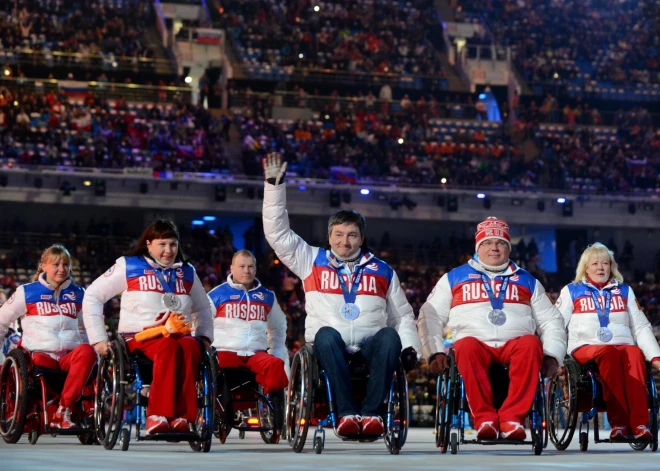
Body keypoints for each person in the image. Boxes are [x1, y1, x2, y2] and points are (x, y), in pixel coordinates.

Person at [262, 153, 422, 437]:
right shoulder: (310, 260)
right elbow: (278, 235)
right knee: (325, 334)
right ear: (329, 237)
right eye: (338, 234)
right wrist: (274, 186)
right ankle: (346, 414)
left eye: (351, 235)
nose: (344, 241)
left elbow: (402, 316)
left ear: (361, 238)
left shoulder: (382, 270)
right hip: (329, 349)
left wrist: (411, 348)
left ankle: (372, 415)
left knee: (389, 336)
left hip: (370, 350)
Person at [418, 217, 566, 440]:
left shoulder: (528, 280)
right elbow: (430, 316)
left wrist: (553, 355)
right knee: (464, 345)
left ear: (508, 247)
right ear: (478, 247)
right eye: (487, 243)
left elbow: (551, 321)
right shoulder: (454, 277)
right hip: (475, 345)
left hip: (515, 345)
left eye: (501, 243)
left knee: (531, 343)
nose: (494, 248)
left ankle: (512, 419)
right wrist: (435, 351)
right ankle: (485, 419)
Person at [83, 218, 214, 435]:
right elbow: (93, 295)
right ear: (149, 244)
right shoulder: (129, 265)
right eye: (162, 244)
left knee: (192, 347)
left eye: (173, 244)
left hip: (179, 335)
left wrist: (205, 337)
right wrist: (98, 338)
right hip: (139, 337)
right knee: (168, 348)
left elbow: (202, 308)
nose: (168, 250)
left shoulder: (187, 271)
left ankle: (183, 416)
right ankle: (157, 415)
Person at [555, 242, 660, 441]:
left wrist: (656, 356)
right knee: (608, 353)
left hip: (622, 345)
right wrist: (554, 356)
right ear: (585, 267)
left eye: (605, 263)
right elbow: (557, 325)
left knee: (635, 354)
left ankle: (639, 424)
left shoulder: (625, 291)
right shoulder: (571, 291)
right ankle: (619, 424)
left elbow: (641, 327)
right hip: (585, 346)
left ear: (612, 266)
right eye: (595, 263)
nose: (601, 268)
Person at [0, 245, 95, 429]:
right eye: (56, 264)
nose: (62, 269)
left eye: (66, 265)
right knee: (41, 359)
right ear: (43, 266)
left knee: (88, 352)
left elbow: (90, 326)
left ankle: (63, 410)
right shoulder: (27, 292)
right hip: (39, 354)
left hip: (69, 356)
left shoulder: (79, 294)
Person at [208, 249, 289, 439]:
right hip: (226, 350)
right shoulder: (216, 294)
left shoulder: (267, 296)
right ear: (232, 268)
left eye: (251, 266)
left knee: (276, 365)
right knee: (223, 372)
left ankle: (276, 422)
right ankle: (223, 414)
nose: (247, 271)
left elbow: (278, 327)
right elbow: (202, 324)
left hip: (255, 353)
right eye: (242, 267)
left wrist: (275, 352)